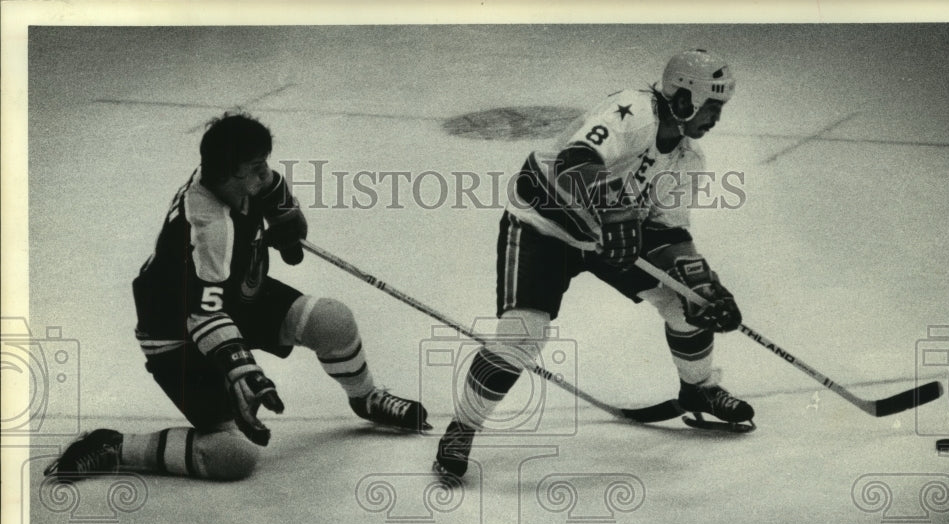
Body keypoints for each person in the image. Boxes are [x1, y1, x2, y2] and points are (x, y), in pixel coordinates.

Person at [46, 112, 429, 482]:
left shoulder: (239, 181)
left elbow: (277, 198)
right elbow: (203, 316)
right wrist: (242, 367)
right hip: (177, 332)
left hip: (231, 298)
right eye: (256, 167)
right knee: (232, 456)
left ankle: (366, 398)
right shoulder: (210, 228)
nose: (266, 173)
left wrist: (288, 225)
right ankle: (115, 446)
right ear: (228, 175)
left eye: (264, 163)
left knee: (333, 320)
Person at [434, 49, 753, 481]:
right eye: (712, 106)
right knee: (522, 334)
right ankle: (462, 428)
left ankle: (699, 389)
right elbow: (575, 160)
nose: (716, 118)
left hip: (606, 237)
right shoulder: (633, 111)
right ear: (685, 98)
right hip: (543, 224)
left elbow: (669, 233)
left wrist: (700, 281)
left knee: (686, 303)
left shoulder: (687, 160)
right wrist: (615, 210)